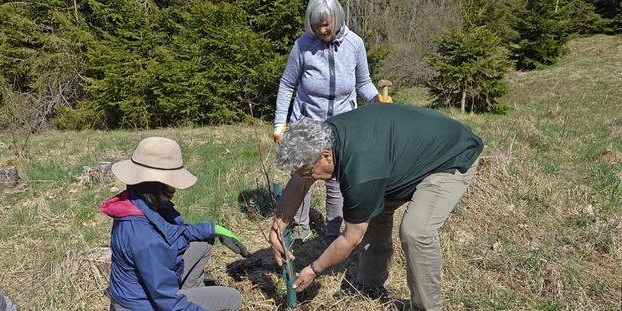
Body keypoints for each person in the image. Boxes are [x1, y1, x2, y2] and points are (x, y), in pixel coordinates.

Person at [269, 103, 484, 311]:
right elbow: (299, 183)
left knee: (416, 232)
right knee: (373, 210)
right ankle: (369, 285)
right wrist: (277, 227)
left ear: (326, 156)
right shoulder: (323, 136)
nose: (308, 179)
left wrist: (314, 269)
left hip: (451, 156)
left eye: (308, 173)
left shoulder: (360, 174)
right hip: (408, 152)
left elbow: (350, 238)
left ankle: (425, 307)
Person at [273, 0, 391, 242]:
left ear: (337, 18)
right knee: (303, 175)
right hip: (307, 123)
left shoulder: (354, 44)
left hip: (343, 124)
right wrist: (279, 124)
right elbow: (287, 85)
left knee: (337, 179)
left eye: (326, 24)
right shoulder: (302, 46)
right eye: (316, 25)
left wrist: (375, 98)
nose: (322, 30)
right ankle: (299, 226)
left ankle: (332, 231)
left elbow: (363, 82)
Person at [101, 136, 249, 311]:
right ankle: (189, 299)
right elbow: (168, 303)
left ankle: (189, 292)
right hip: (144, 305)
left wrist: (213, 229)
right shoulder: (146, 239)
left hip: (146, 291)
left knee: (202, 243)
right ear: (157, 184)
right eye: (172, 183)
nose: (175, 189)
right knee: (231, 298)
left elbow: (174, 232)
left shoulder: (136, 202)